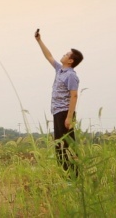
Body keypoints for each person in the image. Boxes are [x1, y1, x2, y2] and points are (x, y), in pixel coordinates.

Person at [34, 29, 83, 178]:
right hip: (57, 112)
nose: (64, 54)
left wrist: (69, 117)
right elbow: (49, 56)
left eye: (67, 54)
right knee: (59, 146)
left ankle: (73, 177)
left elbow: (74, 96)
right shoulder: (60, 70)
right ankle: (66, 175)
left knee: (67, 145)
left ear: (71, 61)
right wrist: (39, 40)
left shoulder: (71, 76)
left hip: (64, 113)